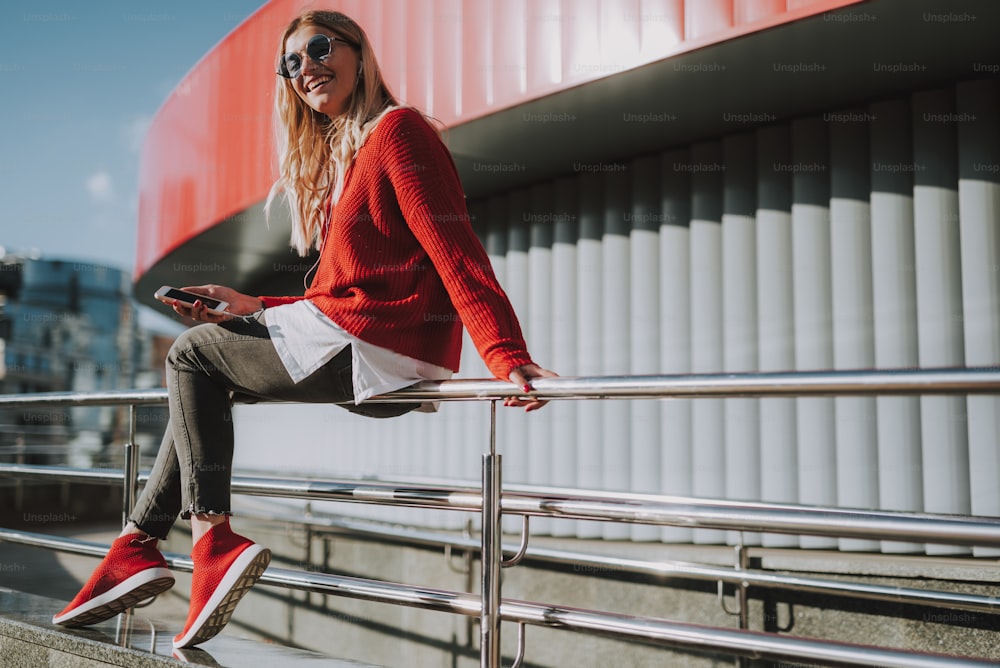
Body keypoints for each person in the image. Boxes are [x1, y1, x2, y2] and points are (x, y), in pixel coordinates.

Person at [52, 9, 556, 649]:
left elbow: (452, 245)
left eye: (319, 48)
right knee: (202, 379)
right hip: (360, 336)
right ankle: (137, 545)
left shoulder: (397, 131)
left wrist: (504, 351)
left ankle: (204, 540)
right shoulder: (353, 156)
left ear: (359, 54)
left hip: (376, 341)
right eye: (290, 63)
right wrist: (250, 306)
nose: (306, 67)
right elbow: (338, 292)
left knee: (189, 358)